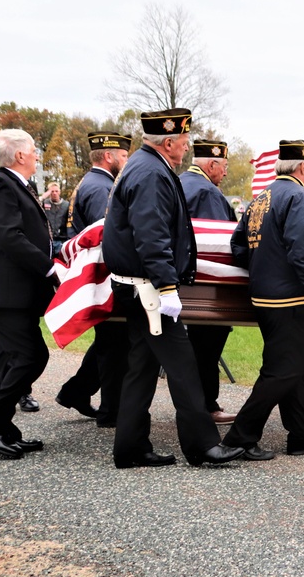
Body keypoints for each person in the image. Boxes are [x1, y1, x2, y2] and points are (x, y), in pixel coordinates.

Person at [102, 108, 244, 469]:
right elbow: (152, 236)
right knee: (183, 368)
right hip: (149, 289)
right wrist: (167, 286)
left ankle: (130, 447)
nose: (185, 149)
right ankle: (202, 446)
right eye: (182, 142)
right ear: (168, 143)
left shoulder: (143, 166)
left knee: (142, 367)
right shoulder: (151, 172)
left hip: (137, 286)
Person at [222, 139, 304, 460]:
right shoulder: (299, 197)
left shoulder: (261, 198)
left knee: (294, 367)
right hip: (291, 299)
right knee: (283, 371)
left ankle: (302, 435)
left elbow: (238, 247)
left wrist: (265, 271)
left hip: (264, 296)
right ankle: (240, 438)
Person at [0, 129, 57, 459]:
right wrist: (49, 268)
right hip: (1, 291)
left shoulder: (16, 185)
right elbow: (11, 237)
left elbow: (32, 234)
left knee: (12, 358)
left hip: (12, 292)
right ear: (19, 156)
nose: (36, 155)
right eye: (33, 151)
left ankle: (2, 428)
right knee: (30, 356)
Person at [55, 132, 132, 427]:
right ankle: (110, 410)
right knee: (114, 345)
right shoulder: (102, 188)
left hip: (93, 275)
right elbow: (108, 232)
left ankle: (76, 392)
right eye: (124, 156)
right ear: (109, 156)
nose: (127, 162)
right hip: (102, 276)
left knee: (109, 342)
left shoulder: (88, 183)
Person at [179, 139, 239, 425]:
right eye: (224, 167)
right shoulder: (207, 192)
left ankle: (195, 403)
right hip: (205, 286)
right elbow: (218, 243)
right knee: (208, 345)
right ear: (211, 164)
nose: (225, 173)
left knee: (194, 346)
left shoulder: (180, 181)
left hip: (179, 280)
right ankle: (206, 405)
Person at [40, 181, 69, 254]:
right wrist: (43, 197)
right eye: (52, 191)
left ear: (60, 192)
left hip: (61, 239)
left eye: (56, 191)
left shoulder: (66, 205)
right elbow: (33, 205)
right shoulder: (45, 203)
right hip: (47, 239)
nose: (54, 193)